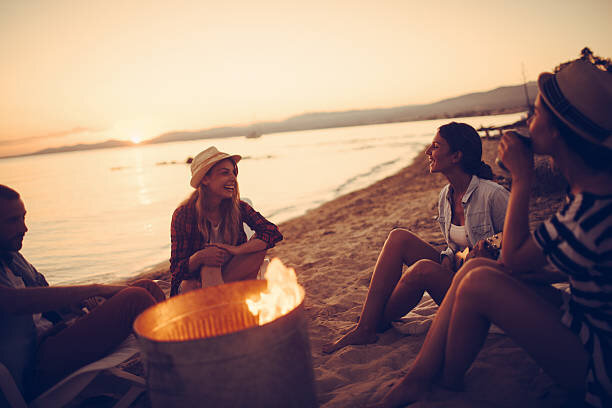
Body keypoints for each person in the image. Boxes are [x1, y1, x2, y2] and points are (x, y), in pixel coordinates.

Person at [375, 59, 612, 408]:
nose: (528, 121)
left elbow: (515, 256)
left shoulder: (591, 208)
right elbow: (560, 268)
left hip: (598, 358)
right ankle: (434, 379)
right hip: (580, 315)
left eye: (535, 113)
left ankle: (420, 377)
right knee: (475, 269)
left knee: (477, 279)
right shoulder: (588, 195)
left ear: (558, 131)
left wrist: (522, 177)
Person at [323, 122, 509, 354]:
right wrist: (448, 256)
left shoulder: (494, 195)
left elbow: (520, 244)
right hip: (458, 273)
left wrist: (489, 258)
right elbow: (457, 246)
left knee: (422, 269)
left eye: (436, 146)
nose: (428, 152)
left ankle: (371, 325)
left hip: (483, 290)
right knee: (398, 237)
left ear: (456, 156)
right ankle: (367, 325)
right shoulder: (446, 196)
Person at [0, 184, 165, 402]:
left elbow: (43, 298)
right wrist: (97, 288)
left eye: (23, 217)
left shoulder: (14, 258)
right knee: (135, 298)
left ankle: (170, 364)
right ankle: (178, 372)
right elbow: (14, 302)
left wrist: (75, 306)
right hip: (35, 365)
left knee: (146, 287)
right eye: (13, 220)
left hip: (58, 335)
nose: (24, 228)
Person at [170, 146, 283, 296]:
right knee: (209, 263)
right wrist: (200, 257)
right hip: (193, 289)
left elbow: (272, 232)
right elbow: (176, 270)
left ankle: (219, 298)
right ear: (205, 179)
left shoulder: (238, 208)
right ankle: (223, 300)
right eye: (225, 173)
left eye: (234, 173)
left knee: (258, 245)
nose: (233, 178)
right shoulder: (184, 214)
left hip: (229, 275)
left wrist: (237, 250)